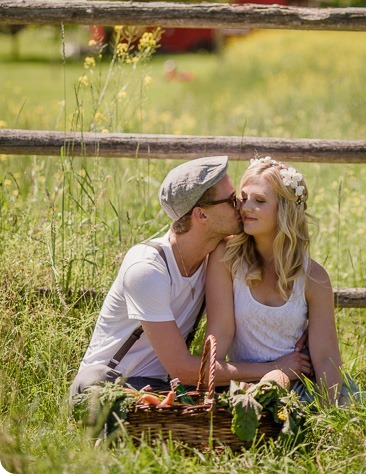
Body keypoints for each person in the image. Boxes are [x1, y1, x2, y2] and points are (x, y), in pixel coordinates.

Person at [69, 156, 311, 401]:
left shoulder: (215, 260)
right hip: (110, 385)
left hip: (166, 389)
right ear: (201, 215)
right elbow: (182, 368)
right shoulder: (148, 269)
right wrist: (274, 367)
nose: (241, 205)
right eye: (230, 200)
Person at [205, 156, 360, 406]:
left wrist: (327, 415)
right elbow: (215, 348)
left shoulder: (313, 278)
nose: (245, 208)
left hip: (300, 389)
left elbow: (326, 358)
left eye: (260, 200)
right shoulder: (227, 258)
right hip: (245, 388)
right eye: (243, 198)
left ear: (285, 209)